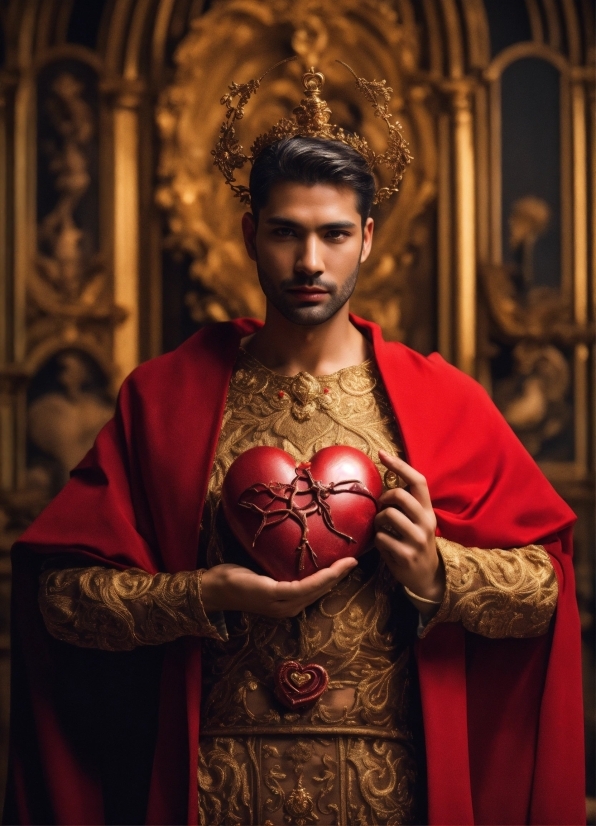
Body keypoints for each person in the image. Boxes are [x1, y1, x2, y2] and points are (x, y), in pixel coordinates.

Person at [4, 66, 585, 826]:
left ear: (367, 239)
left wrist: (439, 572)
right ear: (250, 234)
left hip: (391, 795)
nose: (310, 261)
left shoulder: (441, 403)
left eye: (334, 234)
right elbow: (61, 604)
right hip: (214, 793)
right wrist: (201, 594)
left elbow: (544, 591)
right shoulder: (164, 399)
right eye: (286, 232)